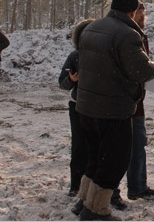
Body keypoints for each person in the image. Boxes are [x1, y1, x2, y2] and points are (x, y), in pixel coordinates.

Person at [74, 0, 154, 221]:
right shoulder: (127, 34)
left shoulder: (92, 28)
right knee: (113, 162)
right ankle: (96, 211)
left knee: (94, 159)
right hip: (111, 110)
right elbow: (140, 70)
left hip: (85, 106)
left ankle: (84, 201)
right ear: (132, 10)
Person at [125, 1, 154, 201]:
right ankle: (112, 192)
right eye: (139, 12)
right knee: (120, 147)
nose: (142, 16)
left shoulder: (140, 36)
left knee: (139, 144)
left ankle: (138, 186)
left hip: (137, 100)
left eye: (144, 13)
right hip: (125, 101)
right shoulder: (128, 36)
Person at [58, 18, 94, 198]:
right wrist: (71, 80)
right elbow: (62, 84)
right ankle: (76, 185)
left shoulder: (103, 55)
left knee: (96, 147)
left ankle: (93, 186)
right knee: (79, 147)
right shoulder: (75, 57)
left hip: (99, 107)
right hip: (78, 106)